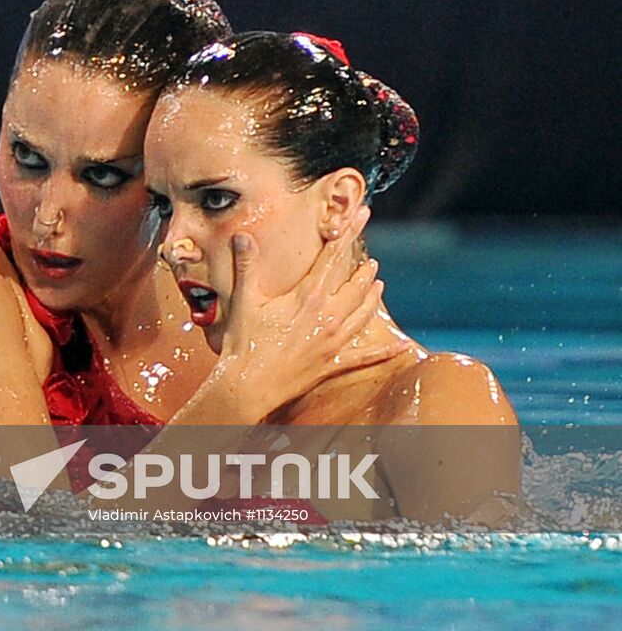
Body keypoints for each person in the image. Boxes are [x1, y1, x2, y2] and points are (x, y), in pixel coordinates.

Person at [0, 0, 404, 489]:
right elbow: (20, 528)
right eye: (27, 157)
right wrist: (235, 401)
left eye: (102, 176)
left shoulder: (238, 313)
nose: (48, 216)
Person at [143, 30, 519, 522]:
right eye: (164, 206)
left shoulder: (437, 399)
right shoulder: (225, 399)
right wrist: (231, 399)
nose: (173, 244)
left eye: (216, 200)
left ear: (337, 204)